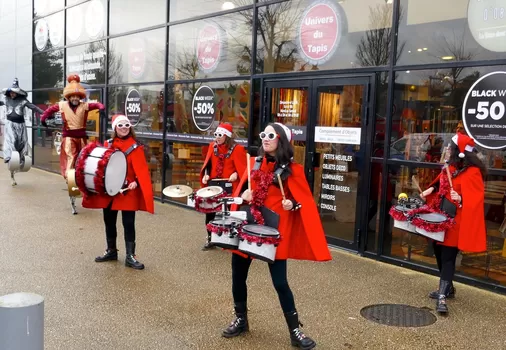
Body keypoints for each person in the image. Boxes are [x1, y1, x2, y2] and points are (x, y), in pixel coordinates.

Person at [223, 122, 332, 349]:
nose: (265, 138)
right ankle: (241, 319)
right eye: (263, 134)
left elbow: (303, 203)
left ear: (281, 139)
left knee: (281, 283)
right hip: (249, 226)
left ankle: (295, 330)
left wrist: (291, 203)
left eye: (271, 135)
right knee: (237, 276)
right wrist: (244, 195)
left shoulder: (294, 171)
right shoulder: (252, 163)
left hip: (273, 234)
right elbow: (239, 196)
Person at [420, 132, 487, 315]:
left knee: (448, 256)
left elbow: (477, 198)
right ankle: (448, 287)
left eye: (450, 147)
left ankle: (442, 297)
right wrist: (429, 189)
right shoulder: (449, 167)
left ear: (459, 151)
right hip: (440, 216)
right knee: (438, 250)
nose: (447, 149)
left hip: (456, 221)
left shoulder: (472, 172)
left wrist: (462, 198)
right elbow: (440, 185)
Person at [81, 114, 154, 270]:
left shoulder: (136, 147)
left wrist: (136, 182)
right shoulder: (107, 144)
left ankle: (130, 256)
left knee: (128, 223)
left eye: (126, 125)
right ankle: (111, 251)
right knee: (109, 221)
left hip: (128, 191)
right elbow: (101, 166)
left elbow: (142, 170)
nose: (124, 128)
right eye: (120, 126)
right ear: (115, 128)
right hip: (110, 190)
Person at [40, 74, 105, 214]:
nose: (75, 98)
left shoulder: (85, 106)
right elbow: (48, 111)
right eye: (72, 96)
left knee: (84, 163)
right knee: (71, 162)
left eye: (77, 96)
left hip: (82, 139)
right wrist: (44, 119)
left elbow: (98, 104)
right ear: (68, 96)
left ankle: (85, 189)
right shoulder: (62, 105)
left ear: (80, 96)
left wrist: (102, 108)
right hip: (69, 138)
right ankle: (73, 190)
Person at [199, 123, 247, 250]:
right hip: (214, 185)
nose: (217, 137)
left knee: (230, 214)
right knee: (210, 213)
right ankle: (210, 239)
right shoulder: (212, 146)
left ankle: (230, 240)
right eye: (216, 135)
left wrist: (236, 173)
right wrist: (206, 175)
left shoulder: (238, 149)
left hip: (230, 185)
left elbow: (244, 168)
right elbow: (208, 165)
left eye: (220, 135)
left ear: (227, 136)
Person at [1, 78, 44, 186]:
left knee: (22, 143)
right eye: (10, 92)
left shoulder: (23, 101)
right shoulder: (6, 100)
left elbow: (33, 107)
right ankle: (8, 157)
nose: (12, 94)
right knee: (11, 141)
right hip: (10, 124)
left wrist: (45, 113)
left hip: (21, 125)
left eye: (14, 92)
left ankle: (20, 162)